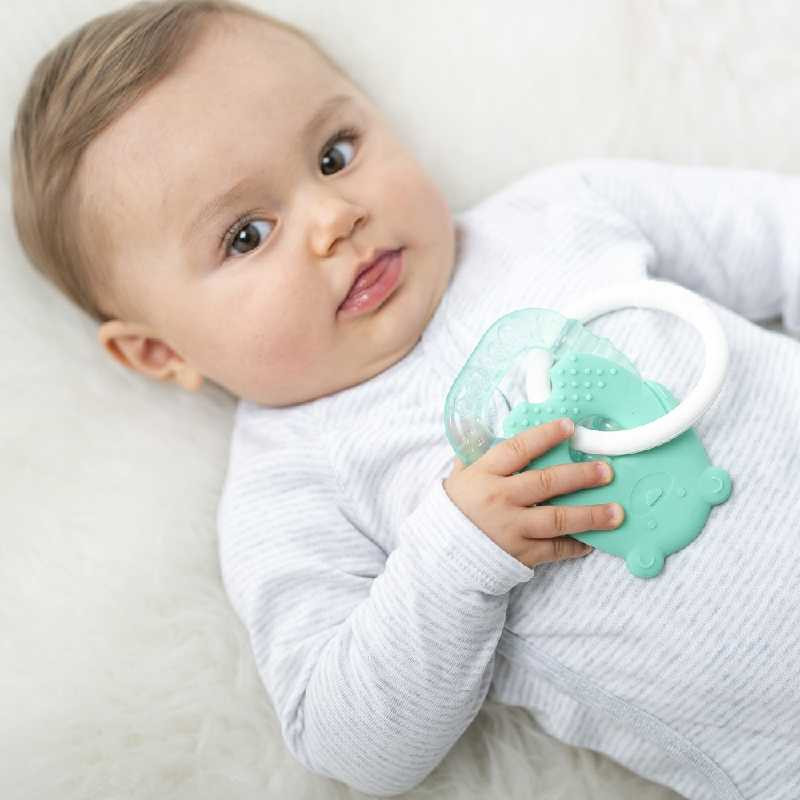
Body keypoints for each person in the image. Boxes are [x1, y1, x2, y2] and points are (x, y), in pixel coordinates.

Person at [10, 2, 800, 798]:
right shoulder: (288, 488)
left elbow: (775, 233)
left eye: (334, 154)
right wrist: (458, 556)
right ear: (161, 352)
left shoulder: (558, 213)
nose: (334, 217)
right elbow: (349, 743)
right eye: (246, 234)